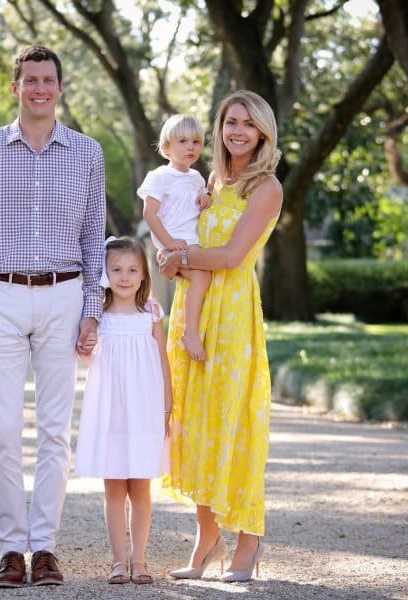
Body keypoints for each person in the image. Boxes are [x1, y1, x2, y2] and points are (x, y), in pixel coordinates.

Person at [0, 44, 105, 588]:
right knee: (3, 429)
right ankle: (10, 549)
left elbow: (93, 240)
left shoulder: (87, 152)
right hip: (1, 298)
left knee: (56, 431)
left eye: (48, 80)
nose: (39, 88)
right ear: (14, 87)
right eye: (30, 80)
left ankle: (45, 548)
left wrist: (93, 311)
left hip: (64, 296)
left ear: (61, 88)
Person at [158, 90, 282, 583]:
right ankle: (206, 540)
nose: (237, 131)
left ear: (263, 133)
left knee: (235, 424)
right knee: (197, 424)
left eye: (248, 125)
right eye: (231, 121)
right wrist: (176, 259)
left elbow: (230, 255)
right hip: (193, 310)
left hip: (232, 318)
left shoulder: (265, 187)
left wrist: (180, 258)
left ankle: (249, 542)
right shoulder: (210, 179)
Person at [74, 237, 172, 586]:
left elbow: (163, 360)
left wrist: (167, 406)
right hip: (110, 410)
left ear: (144, 274)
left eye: (132, 270)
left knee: (141, 487)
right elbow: (87, 356)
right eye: (116, 269)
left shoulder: (152, 313)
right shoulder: (97, 316)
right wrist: (85, 346)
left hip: (145, 408)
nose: (125, 277)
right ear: (104, 273)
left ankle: (140, 558)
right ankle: (118, 559)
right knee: (114, 487)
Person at [138, 114, 211, 361]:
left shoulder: (197, 178)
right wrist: (168, 243)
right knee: (202, 275)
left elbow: (199, 203)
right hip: (174, 244)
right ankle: (190, 332)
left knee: (204, 277)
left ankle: (195, 327)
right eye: (183, 141)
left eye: (196, 142)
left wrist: (206, 198)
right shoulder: (159, 176)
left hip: (191, 242)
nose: (191, 147)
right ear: (167, 147)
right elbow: (150, 213)